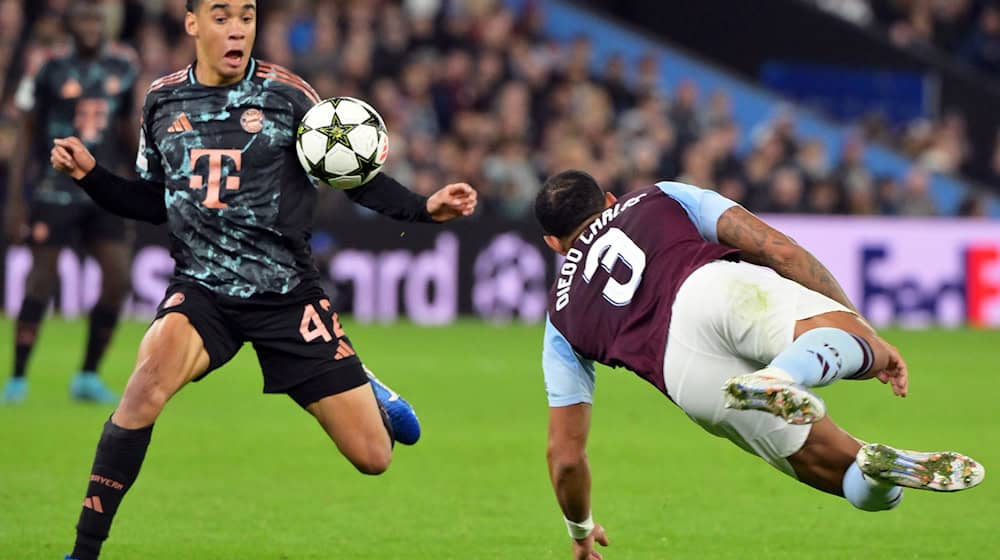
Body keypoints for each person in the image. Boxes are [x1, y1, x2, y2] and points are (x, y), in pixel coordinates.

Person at [49, 1, 477, 559]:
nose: (237, 30)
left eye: (246, 16)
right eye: (222, 16)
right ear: (193, 23)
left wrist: (425, 207)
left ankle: (366, 383)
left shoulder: (289, 95)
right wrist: (92, 177)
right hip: (201, 290)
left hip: (286, 295)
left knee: (375, 456)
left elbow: (352, 176)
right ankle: (82, 553)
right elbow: (156, 202)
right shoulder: (161, 101)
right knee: (143, 389)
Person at [535, 170, 984, 560]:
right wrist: (863, 333)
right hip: (712, 288)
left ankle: (877, 474)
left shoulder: (560, 317)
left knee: (850, 475)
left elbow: (566, 457)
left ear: (554, 244)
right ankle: (783, 376)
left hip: (685, 376)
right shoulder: (658, 196)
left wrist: (580, 530)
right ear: (610, 200)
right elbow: (779, 250)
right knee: (860, 346)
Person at [2, 0, 139, 405]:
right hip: (54, 188)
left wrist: (144, 182)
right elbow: (27, 134)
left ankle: (88, 375)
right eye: (83, 18)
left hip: (104, 188)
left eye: (97, 18)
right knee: (41, 281)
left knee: (119, 278)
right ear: (70, 24)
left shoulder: (123, 66)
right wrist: (15, 199)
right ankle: (18, 376)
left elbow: (129, 129)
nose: (91, 26)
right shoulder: (46, 66)